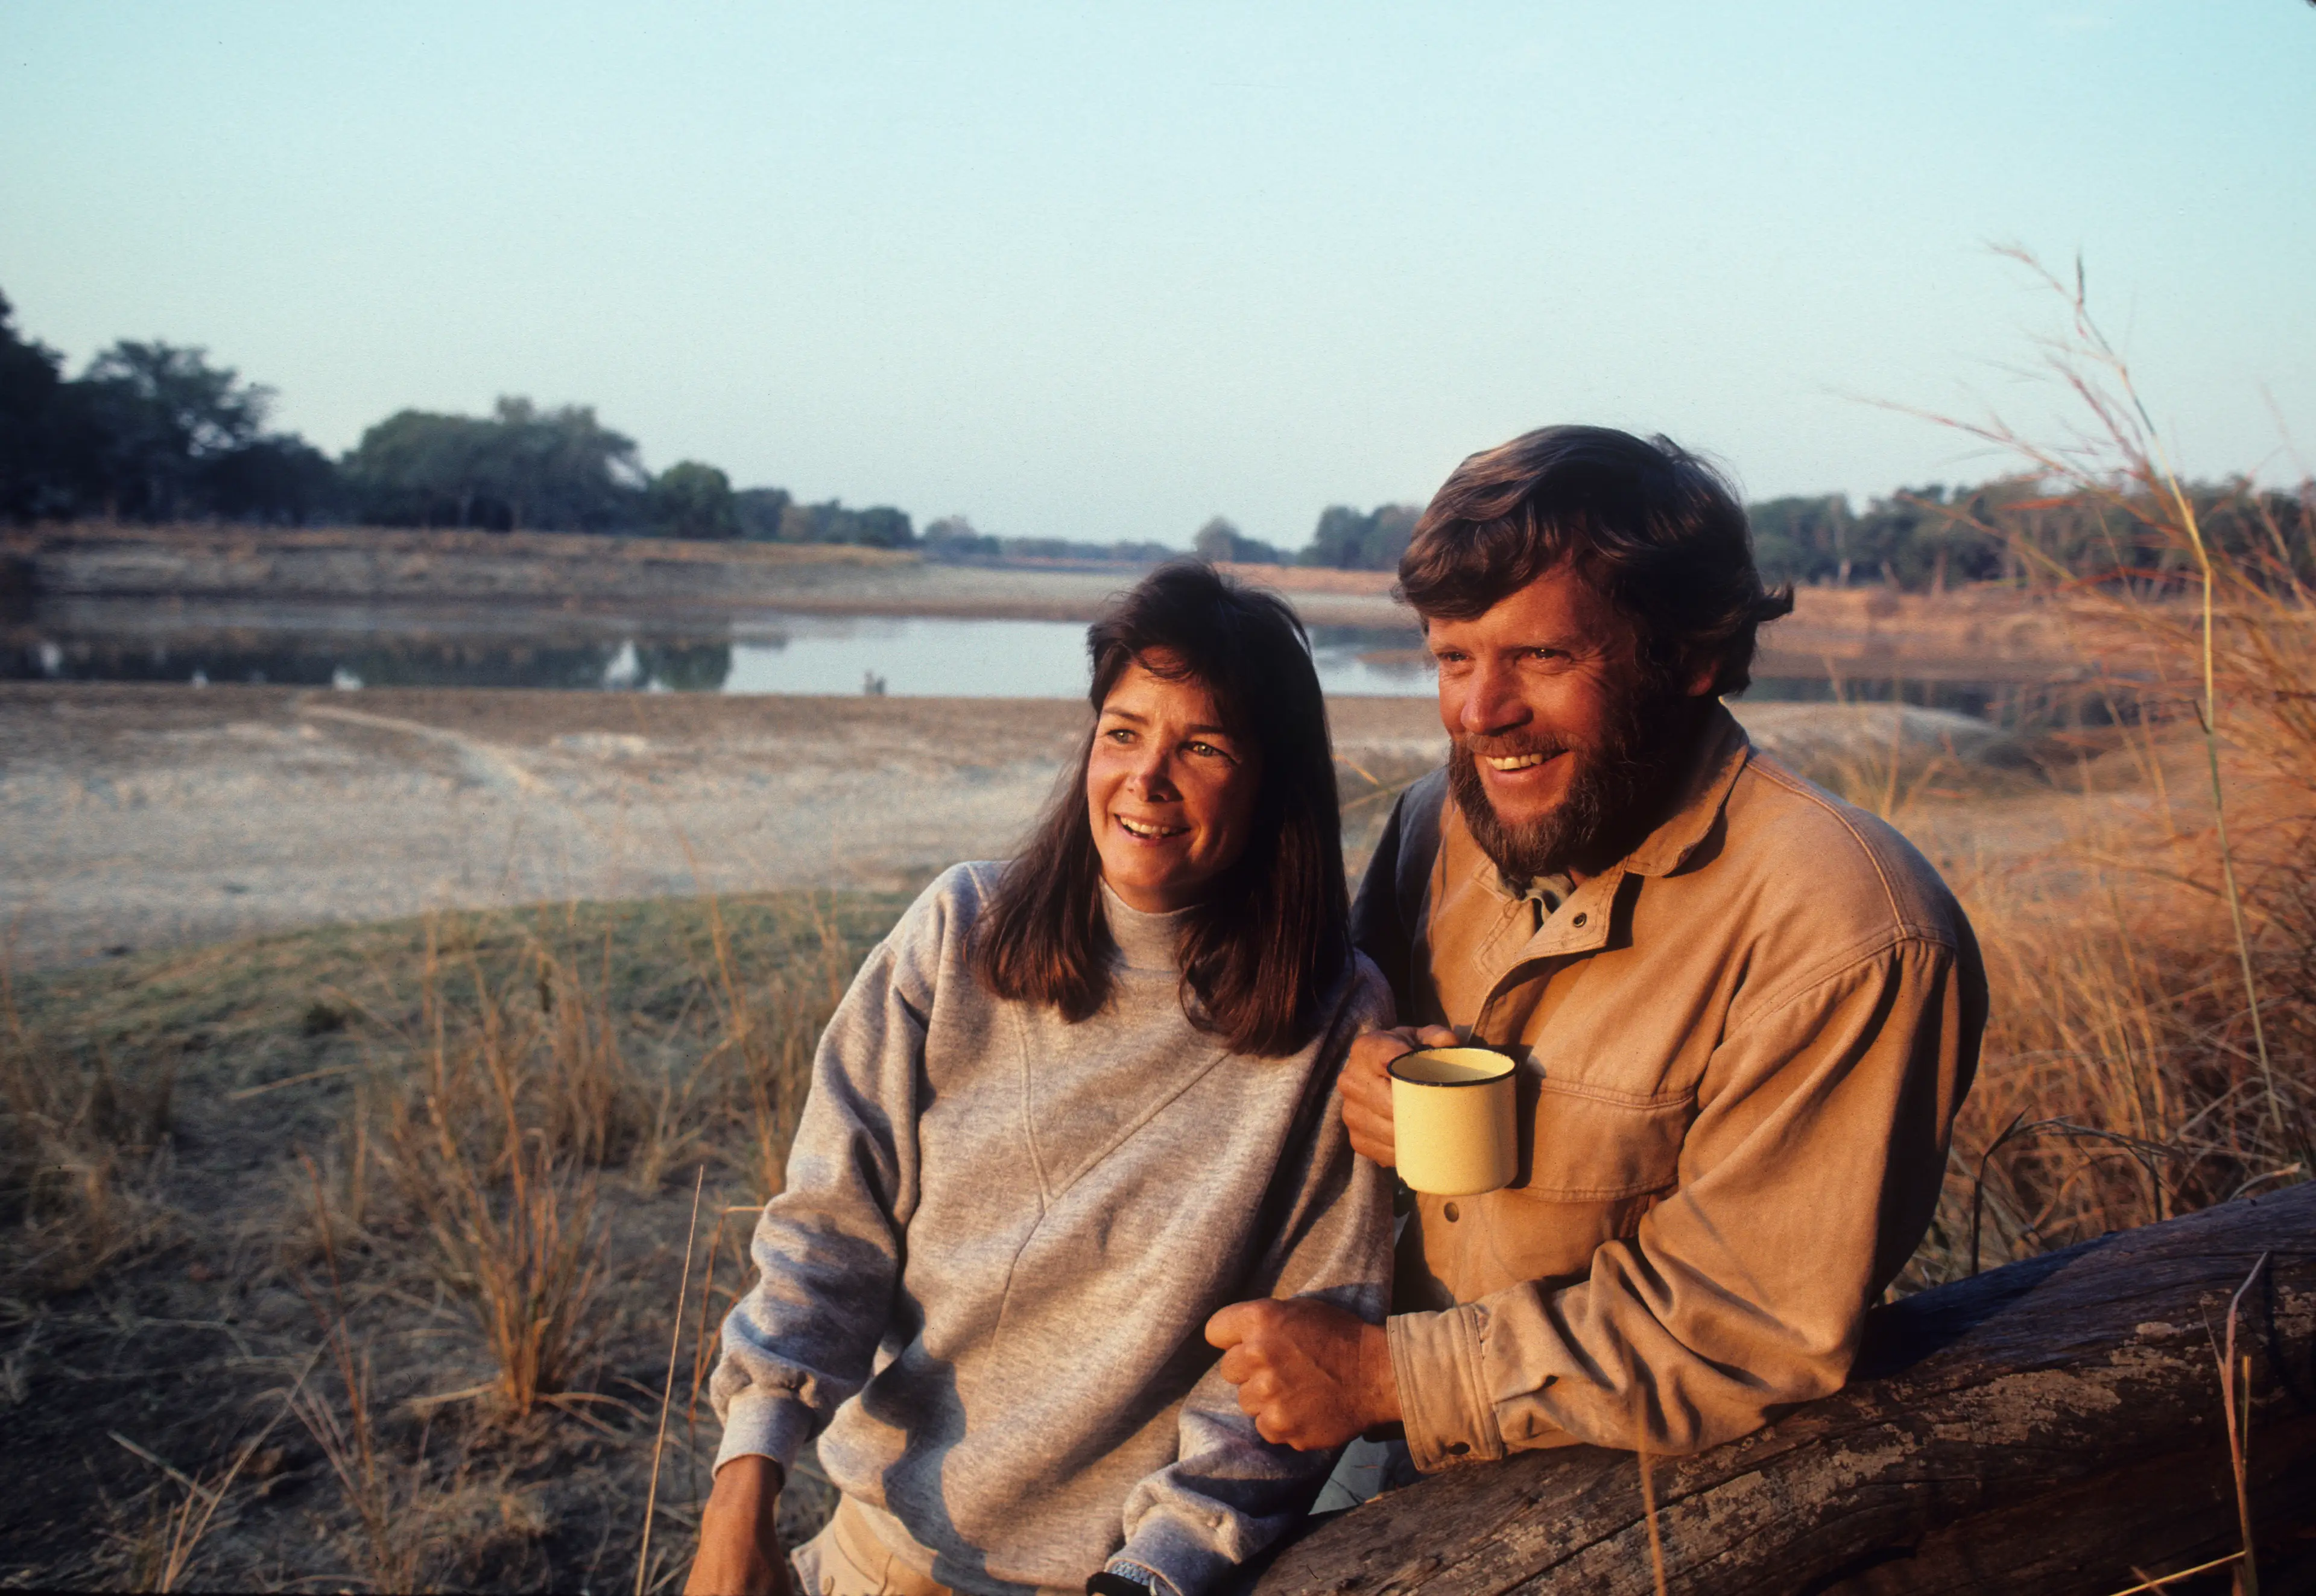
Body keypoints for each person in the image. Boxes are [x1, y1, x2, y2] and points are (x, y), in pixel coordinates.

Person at [1209, 425, 1986, 1475]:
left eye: (1541, 655)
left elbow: (1740, 1324)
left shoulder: (1850, 931)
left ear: (1695, 656)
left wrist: (1384, 1376)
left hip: (1622, 1499)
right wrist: (1356, 1072)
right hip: (1373, 1440)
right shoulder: (1438, 820)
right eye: (1452, 658)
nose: (1482, 714)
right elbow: (1339, 1049)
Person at [686, 562, 1395, 1596]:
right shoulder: (957, 931)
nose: (1147, 778)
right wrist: (740, 1488)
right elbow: (829, 1233)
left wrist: (1157, 1571)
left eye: (1201, 745)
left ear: (1273, 780)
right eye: (1123, 730)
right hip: (874, 1555)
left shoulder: (1334, 1021)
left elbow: (1292, 1371)